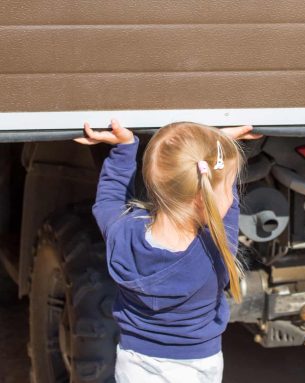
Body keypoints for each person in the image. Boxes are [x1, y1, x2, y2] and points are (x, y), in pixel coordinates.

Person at [74, 119, 262, 383]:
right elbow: (226, 210)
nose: (231, 199)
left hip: (134, 365)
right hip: (197, 368)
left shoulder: (122, 234)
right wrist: (219, 143)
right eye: (228, 188)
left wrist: (125, 148)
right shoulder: (215, 250)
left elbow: (108, 200)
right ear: (203, 197)